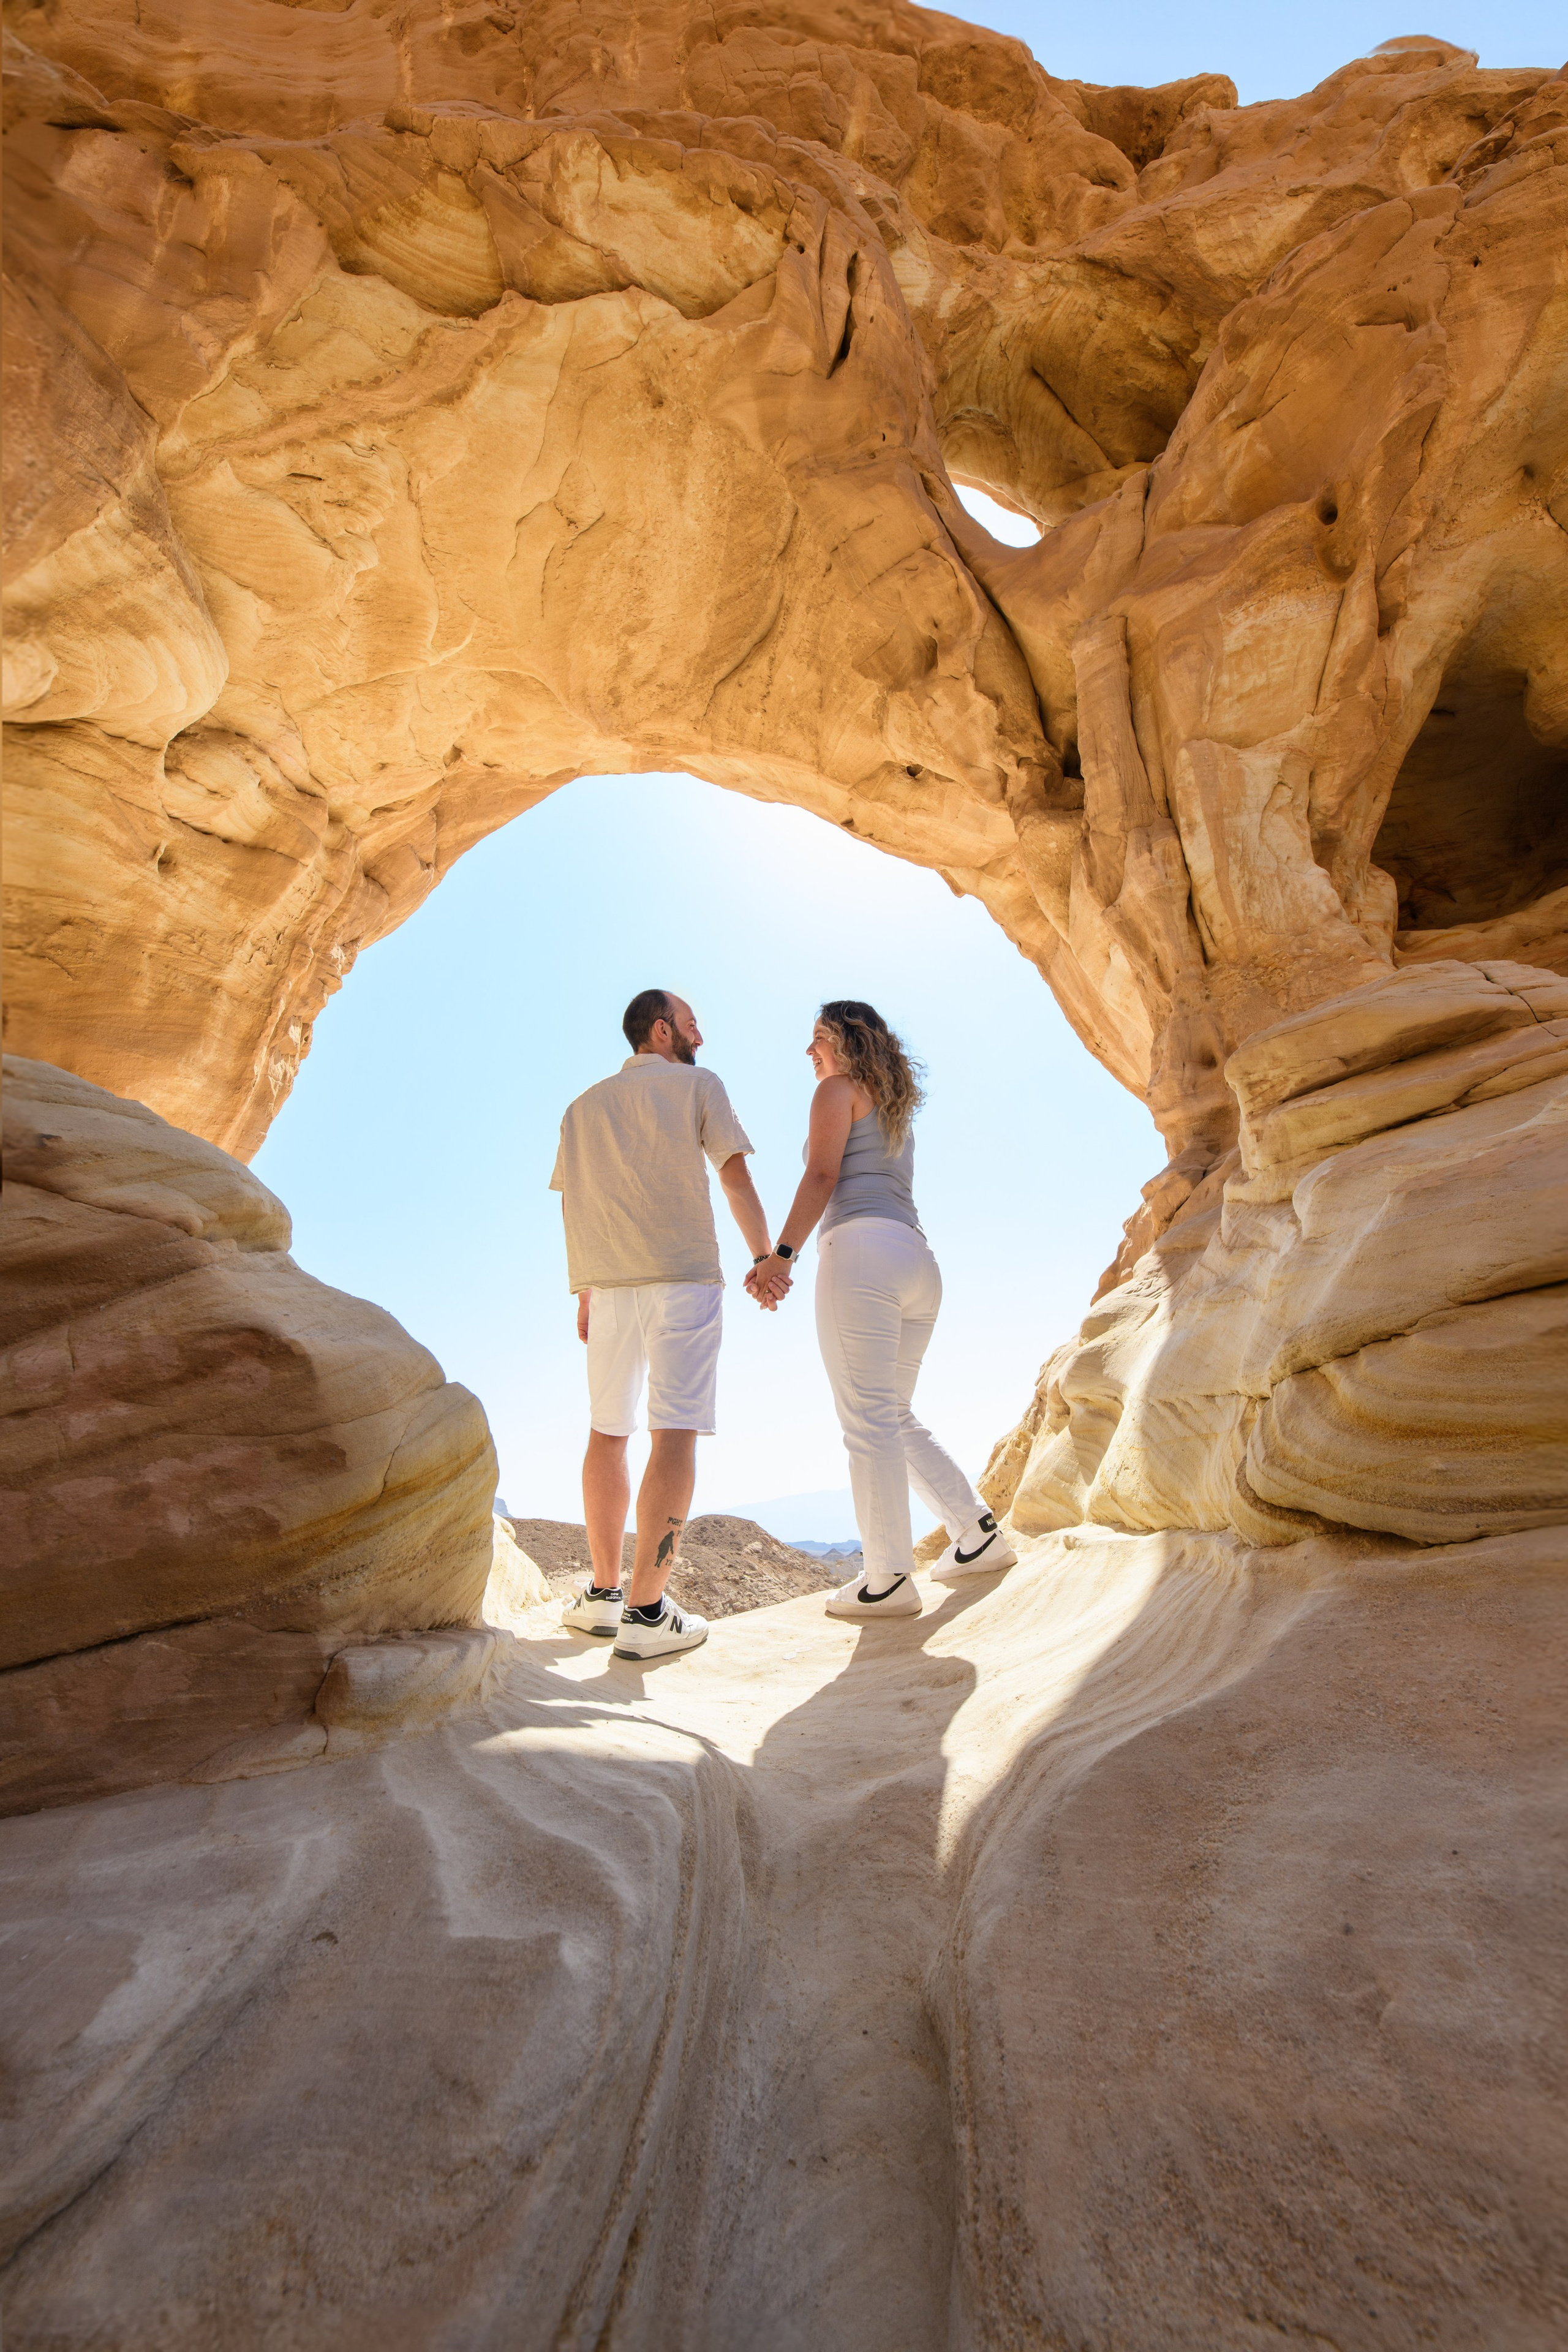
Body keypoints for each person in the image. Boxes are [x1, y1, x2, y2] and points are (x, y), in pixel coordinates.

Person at [747, 1000, 1016, 1618]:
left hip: (861, 1255)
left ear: (847, 1042)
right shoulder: (894, 1107)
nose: (809, 1052)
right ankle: (977, 1534)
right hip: (917, 1261)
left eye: (818, 1039)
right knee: (890, 1412)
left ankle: (887, 1579)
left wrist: (780, 1257)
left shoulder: (835, 1090)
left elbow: (821, 1176)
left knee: (868, 1421)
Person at [551, 989, 780, 1659]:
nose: (699, 1036)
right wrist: (764, 1259)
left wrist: (584, 1292)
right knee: (673, 1432)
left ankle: (603, 1597)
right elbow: (734, 1178)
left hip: (608, 1287)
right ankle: (647, 1613)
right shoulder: (699, 1086)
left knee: (607, 1432)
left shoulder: (580, 1108)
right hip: (682, 1278)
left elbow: (572, 1207)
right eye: (690, 1024)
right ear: (660, 1030)